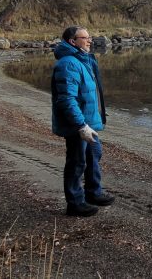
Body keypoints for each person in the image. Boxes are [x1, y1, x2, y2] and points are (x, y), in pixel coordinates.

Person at [51, 26, 114, 217]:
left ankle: (93, 193)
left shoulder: (84, 60)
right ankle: (75, 203)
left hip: (88, 122)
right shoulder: (68, 64)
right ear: (72, 41)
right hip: (78, 125)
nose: (89, 40)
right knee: (77, 162)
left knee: (94, 154)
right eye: (85, 38)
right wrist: (81, 125)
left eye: (90, 37)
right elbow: (66, 99)